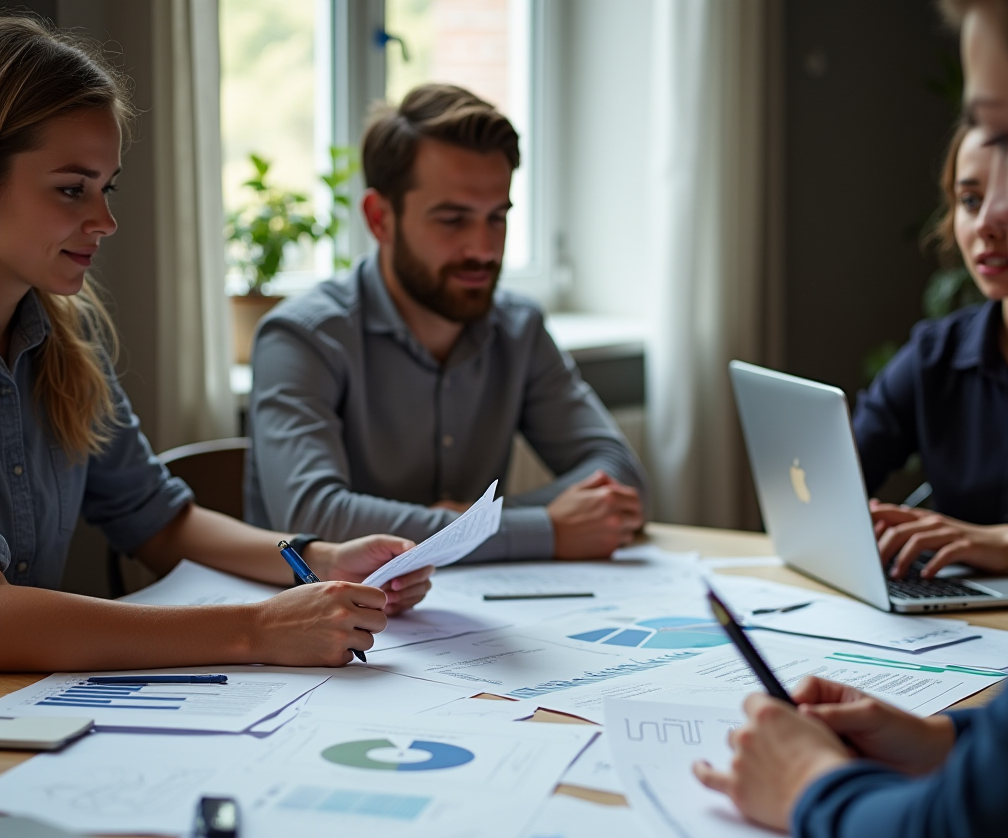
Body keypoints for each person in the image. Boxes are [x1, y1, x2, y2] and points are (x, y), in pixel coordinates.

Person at [696, 8, 1008, 838]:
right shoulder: (941, 352)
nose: (990, 214)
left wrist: (805, 783)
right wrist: (948, 743)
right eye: (970, 190)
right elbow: (831, 478)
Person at [0, 16, 432, 673]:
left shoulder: (69, 335)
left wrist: (319, 560)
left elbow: (157, 520)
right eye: (71, 189)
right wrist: (257, 630)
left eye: (105, 187)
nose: (106, 220)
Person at [245, 84, 648, 563]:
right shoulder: (302, 337)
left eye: (497, 218)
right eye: (453, 220)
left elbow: (617, 475)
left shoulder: (519, 327)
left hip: (472, 614)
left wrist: (483, 520)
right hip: (319, 619)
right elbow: (315, 515)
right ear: (380, 219)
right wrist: (539, 528)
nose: (483, 248)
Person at [856, 120, 1008, 579]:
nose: (986, 223)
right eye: (970, 200)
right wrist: (866, 522)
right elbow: (838, 480)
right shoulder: (935, 355)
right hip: (962, 631)